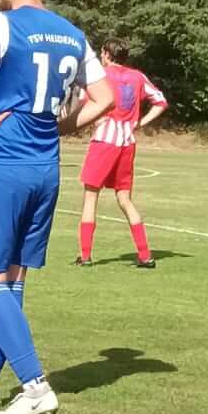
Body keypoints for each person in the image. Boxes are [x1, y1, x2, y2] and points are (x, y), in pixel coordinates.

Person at [0, 0, 114, 414]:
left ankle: (34, 385)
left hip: (4, 163)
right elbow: (103, 97)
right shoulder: (72, 33)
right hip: (46, 168)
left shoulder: (3, 23)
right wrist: (62, 127)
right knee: (13, 277)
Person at [77, 39, 168, 269]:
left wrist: (94, 120)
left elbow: (82, 103)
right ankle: (145, 255)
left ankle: (85, 256)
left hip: (104, 141)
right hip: (127, 142)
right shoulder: (138, 77)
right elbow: (160, 101)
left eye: (102, 53)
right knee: (125, 199)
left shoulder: (99, 75)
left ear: (107, 54)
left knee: (90, 197)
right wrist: (140, 122)